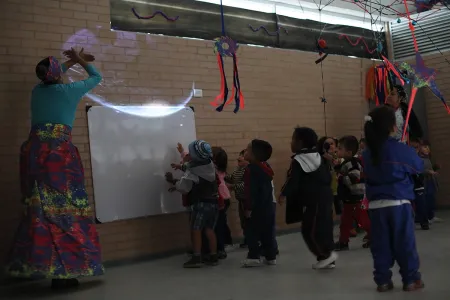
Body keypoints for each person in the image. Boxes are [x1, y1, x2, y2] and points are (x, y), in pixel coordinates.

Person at [5, 48, 104, 289]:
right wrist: (79, 60)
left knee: (40, 211)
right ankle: (65, 272)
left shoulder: (37, 91)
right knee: (64, 212)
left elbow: (51, 75)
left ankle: (41, 266)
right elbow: (96, 78)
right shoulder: (68, 91)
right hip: (59, 158)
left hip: (35, 154)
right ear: (59, 75)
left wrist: (69, 62)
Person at [363, 106, 424, 292]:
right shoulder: (399, 149)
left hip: (375, 206)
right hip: (398, 204)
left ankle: (382, 281)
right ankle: (411, 279)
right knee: (404, 243)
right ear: (392, 127)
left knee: (380, 244)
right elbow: (418, 167)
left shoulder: (367, 154)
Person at [280, 127, 337, 270]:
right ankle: (328, 258)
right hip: (325, 196)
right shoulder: (318, 156)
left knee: (309, 229)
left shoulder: (299, 160)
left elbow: (292, 180)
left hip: (314, 200)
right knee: (324, 226)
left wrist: (283, 193)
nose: (291, 143)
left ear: (300, 142)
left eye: (293, 139)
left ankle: (325, 255)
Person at [165, 140, 219, 268]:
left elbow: (184, 187)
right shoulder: (209, 164)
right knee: (209, 230)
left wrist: (172, 181)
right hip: (214, 203)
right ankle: (213, 256)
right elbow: (191, 166)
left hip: (200, 204)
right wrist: (181, 166)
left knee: (196, 229)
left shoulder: (193, 173)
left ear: (194, 156)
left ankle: (196, 257)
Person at [241, 139, 277, 267]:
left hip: (256, 208)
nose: (245, 152)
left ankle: (253, 256)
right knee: (267, 233)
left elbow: (250, 190)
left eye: (247, 150)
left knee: (252, 232)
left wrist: (249, 208)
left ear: (253, 154)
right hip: (268, 206)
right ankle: (271, 256)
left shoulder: (250, 170)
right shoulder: (266, 169)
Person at [334, 136, 370, 251]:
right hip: (348, 200)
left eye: (340, 148)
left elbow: (355, 178)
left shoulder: (353, 164)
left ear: (349, 152)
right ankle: (343, 241)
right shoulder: (346, 162)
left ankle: (375, 236)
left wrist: (342, 178)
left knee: (362, 221)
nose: (337, 151)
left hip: (355, 199)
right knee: (345, 222)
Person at [211, 146, 232, 259]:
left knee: (218, 225)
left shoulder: (213, 169)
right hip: (225, 198)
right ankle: (223, 244)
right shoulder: (221, 169)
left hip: (220, 199)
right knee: (221, 223)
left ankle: (221, 248)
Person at [225, 149, 248, 248]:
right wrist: (223, 176)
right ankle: (247, 238)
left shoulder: (248, 170)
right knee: (243, 220)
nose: (239, 157)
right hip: (241, 199)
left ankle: (254, 240)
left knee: (249, 220)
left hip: (248, 200)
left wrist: (232, 187)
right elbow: (231, 178)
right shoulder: (237, 170)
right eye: (239, 155)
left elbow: (246, 185)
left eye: (242, 155)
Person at [317, 137, 341, 215]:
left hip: (339, 188)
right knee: (327, 212)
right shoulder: (319, 159)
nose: (330, 146)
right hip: (326, 190)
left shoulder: (339, 157)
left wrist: (332, 159)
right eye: (327, 144)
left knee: (341, 211)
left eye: (332, 144)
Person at [419, 141, 441, 223]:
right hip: (424, 182)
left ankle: (431, 215)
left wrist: (434, 168)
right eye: (425, 147)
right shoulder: (419, 159)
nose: (427, 149)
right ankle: (427, 217)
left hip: (430, 181)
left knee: (432, 199)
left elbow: (430, 169)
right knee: (426, 200)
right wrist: (428, 172)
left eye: (428, 147)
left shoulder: (428, 158)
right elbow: (419, 170)